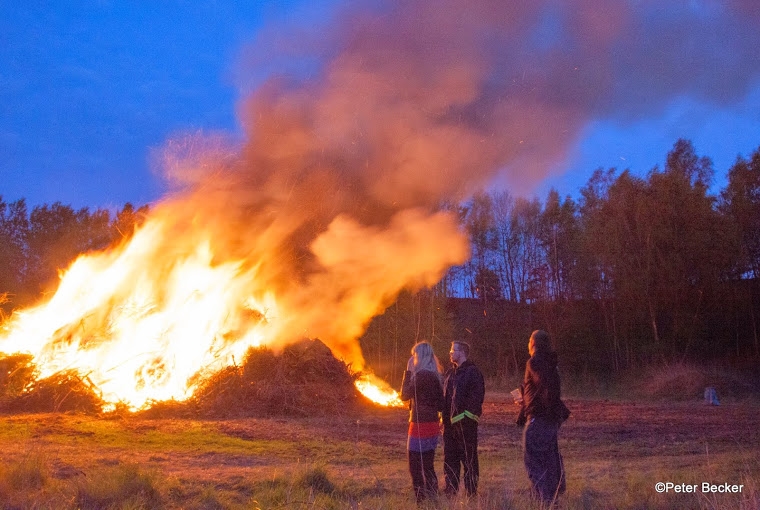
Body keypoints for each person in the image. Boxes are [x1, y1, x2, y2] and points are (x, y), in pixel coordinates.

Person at [516, 329, 570, 505]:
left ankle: (545, 501)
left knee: (534, 460)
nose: (527, 344)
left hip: (539, 419)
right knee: (548, 457)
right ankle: (552, 494)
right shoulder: (549, 362)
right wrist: (526, 399)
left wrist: (541, 410)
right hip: (547, 418)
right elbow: (542, 389)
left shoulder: (535, 362)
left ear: (533, 343)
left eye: (529, 340)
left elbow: (547, 388)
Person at [400, 341, 445, 504]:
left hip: (419, 424)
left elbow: (404, 395)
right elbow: (441, 403)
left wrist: (408, 372)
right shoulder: (435, 376)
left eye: (415, 355)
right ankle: (433, 499)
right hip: (432, 423)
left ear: (421, 357)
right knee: (428, 464)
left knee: (415, 465)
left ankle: (421, 500)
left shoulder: (419, 376)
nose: (413, 358)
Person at [442, 340, 485, 497]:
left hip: (466, 426)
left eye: (453, 350)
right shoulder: (450, 373)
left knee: (469, 460)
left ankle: (471, 492)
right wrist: (444, 420)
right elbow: (446, 399)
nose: (450, 353)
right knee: (450, 459)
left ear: (462, 353)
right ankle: (450, 490)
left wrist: (464, 419)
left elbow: (475, 400)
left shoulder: (473, 373)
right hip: (449, 427)